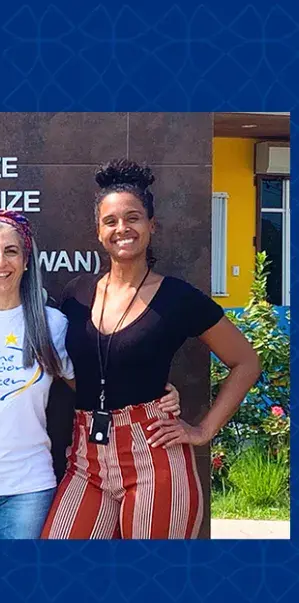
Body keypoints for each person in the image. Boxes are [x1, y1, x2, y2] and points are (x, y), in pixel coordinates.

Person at [0, 208, 182, 539]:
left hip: (28, 487)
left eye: (11, 251)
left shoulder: (52, 324)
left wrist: (152, 393)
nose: (0, 262)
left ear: (26, 260)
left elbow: (95, 388)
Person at [41, 159, 261, 540]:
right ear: (98, 231)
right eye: (111, 221)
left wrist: (203, 430)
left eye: (133, 218)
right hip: (85, 458)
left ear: (151, 226)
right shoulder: (75, 296)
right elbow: (73, 370)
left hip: (153, 454)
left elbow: (246, 362)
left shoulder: (177, 298)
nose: (122, 229)